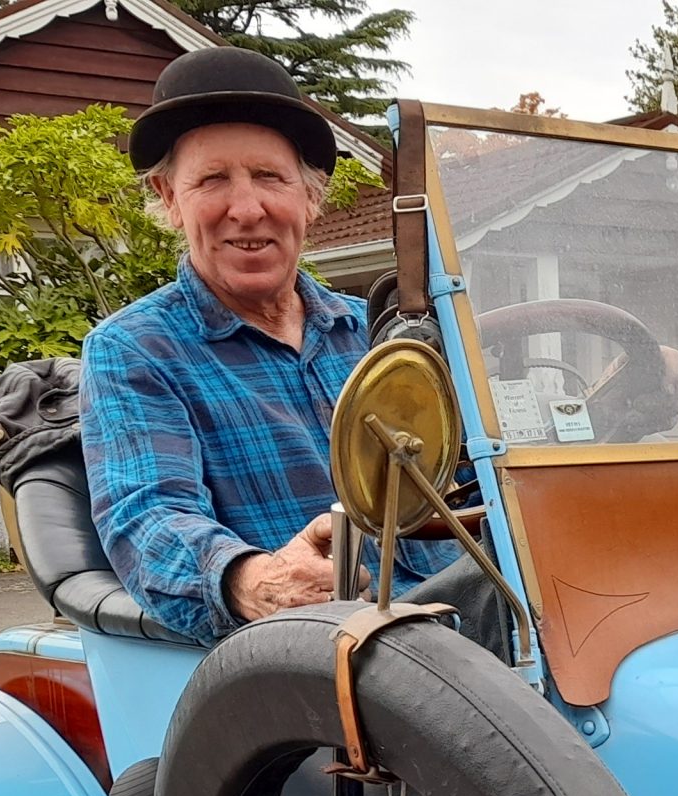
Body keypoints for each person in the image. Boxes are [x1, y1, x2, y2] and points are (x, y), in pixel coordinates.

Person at [82, 46, 458, 644]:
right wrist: (254, 579)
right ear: (170, 197)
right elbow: (148, 518)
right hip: (309, 662)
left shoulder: (381, 335)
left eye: (268, 177)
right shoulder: (135, 348)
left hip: (468, 619)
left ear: (309, 198)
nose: (248, 209)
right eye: (212, 180)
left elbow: (475, 469)